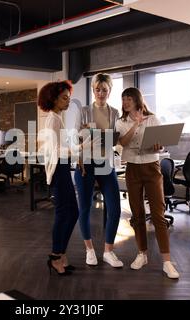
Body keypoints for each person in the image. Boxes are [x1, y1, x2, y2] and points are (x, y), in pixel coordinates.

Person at [115, 87, 179, 279]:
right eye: (123, 99)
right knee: (137, 214)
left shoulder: (152, 119)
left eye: (129, 99)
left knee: (158, 214)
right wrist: (135, 124)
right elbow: (123, 143)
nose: (126, 102)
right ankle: (142, 254)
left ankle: (167, 262)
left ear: (137, 100)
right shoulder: (120, 122)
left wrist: (160, 145)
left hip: (152, 167)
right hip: (132, 169)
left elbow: (161, 144)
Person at [74, 73, 123, 268]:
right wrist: (86, 135)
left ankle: (108, 252)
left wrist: (107, 137)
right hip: (86, 164)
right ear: (93, 90)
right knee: (84, 208)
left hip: (106, 164)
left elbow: (116, 138)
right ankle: (89, 250)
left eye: (104, 89)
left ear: (109, 91)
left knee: (115, 209)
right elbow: (75, 136)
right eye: (97, 89)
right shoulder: (84, 111)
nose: (101, 93)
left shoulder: (114, 113)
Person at [38, 80, 79, 276]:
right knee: (65, 213)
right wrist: (78, 150)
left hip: (62, 169)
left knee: (73, 212)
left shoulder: (58, 118)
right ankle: (56, 256)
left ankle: (60, 254)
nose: (67, 101)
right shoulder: (53, 119)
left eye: (68, 98)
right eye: (64, 98)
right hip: (58, 171)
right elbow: (55, 150)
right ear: (53, 99)